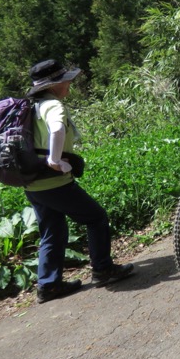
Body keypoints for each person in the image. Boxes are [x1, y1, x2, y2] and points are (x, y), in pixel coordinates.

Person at [25, 59, 134, 304]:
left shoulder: (32, 107)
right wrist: (55, 160)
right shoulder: (53, 105)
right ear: (54, 85)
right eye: (66, 80)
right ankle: (103, 270)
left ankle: (48, 285)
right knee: (96, 217)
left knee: (52, 230)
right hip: (54, 182)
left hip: (32, 183)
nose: (69, 84)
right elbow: (57, 129)